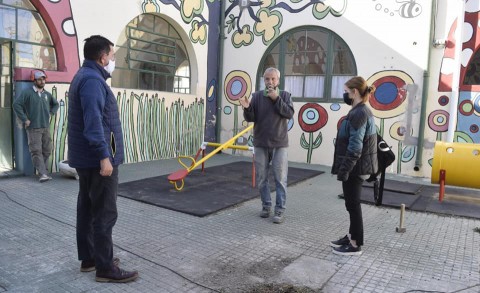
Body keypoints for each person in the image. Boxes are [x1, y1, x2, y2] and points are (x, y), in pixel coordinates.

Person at [68, 35, 138, 283]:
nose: (114, 60)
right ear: (102, 57)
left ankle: (90, 259)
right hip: (97, 161)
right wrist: (104, 157)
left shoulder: (85, 76)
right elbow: (93, 122)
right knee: (104, 213)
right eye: (113, 55)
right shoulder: (92, 81)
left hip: (86, 159)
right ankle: (105, 268)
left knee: (87, 209)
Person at [239, 67, 294, 224]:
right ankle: (266, 206)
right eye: (267, 79)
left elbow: (289, 114)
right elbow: (251, 118)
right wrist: (247, 107)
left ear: (278, 80)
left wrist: (276, 99)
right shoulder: (256, 96)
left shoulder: (284, 95)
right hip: (261, 142)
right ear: (263, 80)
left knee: (280, 179)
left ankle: (279, 210)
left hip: (279, 143)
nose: (270, 82)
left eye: (273, 79)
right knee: (262, 178)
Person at [330, 76, 378, 256]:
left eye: (346, 91)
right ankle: (351, 235)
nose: (344, 95)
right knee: (351, 204)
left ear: (355, 92)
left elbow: (356, 147)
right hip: (357, 166)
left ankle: (355, 244)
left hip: (355, 168)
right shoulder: (360, 110)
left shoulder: (359, 113)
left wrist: (344, 170)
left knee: (353, 204)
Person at [13, 70, 59, 183]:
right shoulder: (27, 93)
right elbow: (16, 105)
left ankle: (43, 171)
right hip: (33, 128)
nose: (42, 81)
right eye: (39, 79)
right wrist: (25, 119)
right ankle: (43, 173)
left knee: (47, 150)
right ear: (34, 80)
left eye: (43, 79)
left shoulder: (47, 94)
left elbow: (56, 104)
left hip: (45, 127)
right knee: (36, 151)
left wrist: (51, 113)